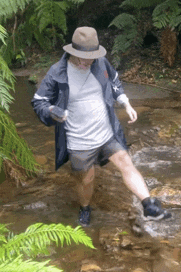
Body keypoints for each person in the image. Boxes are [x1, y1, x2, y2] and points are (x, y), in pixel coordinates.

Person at [31, 26, 171, 227]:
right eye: (82, 57)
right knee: (86, 180)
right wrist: (52, 111)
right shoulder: (57, 72)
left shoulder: (101, 63)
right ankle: (85, 208)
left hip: (107, 133)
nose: (87, 62)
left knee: (125, 162)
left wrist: (126, 103)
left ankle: (149, 206)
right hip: (79, 140)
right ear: (72, 51)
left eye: (91, 57)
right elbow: (39, 101)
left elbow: (114, 81)